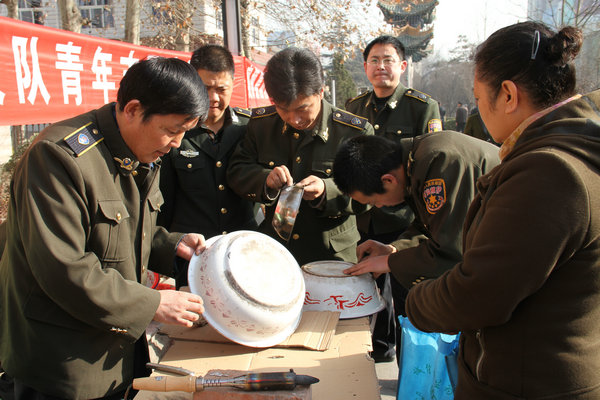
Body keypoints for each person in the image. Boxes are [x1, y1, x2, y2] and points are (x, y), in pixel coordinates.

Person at [403, 22, 600, 398]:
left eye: (478, 97)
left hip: (529, 384)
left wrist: (417, 300)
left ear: (508, 95)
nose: (478, 107)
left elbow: (478, 294)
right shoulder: (574, 146)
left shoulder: (549, 171)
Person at [0, 57, 210, 400]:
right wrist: (152, 303)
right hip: (64, 361)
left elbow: (123, 230)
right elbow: (63, 267)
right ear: (132, 109)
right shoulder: (58, 158)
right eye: (172, 130)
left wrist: (172, 245)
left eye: (184, 132)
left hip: (117, 350)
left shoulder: (141, 149)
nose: (177, 143)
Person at [345, 34, 442, 363]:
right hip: (365, 218)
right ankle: (379, 351)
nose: (381, 67)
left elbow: (429, 166)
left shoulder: (421, 107)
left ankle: (409, 367)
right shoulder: (354, 107)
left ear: (402, 66)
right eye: (374, 60)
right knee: (369, 289)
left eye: (388, 60)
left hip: (403, 219)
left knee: (404, 296)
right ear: (365, 67)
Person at [227, 47, 373, 266]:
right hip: (275, 251)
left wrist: (326, 190)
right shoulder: (261, 125)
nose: (294, 119)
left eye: (302, 108)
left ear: (320, 92)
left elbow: (370, 192)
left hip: (331, 255)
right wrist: (265, 179)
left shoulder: (353, 132)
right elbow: (238, 170)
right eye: (283, 109)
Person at [158, 45, 257, 287]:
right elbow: (163, 200)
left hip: (242, 254)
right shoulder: (176, 130)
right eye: (205, 88)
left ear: (233, 84)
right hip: (193, 257)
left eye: (221, 89)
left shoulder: (250, 128)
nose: (213, 98)